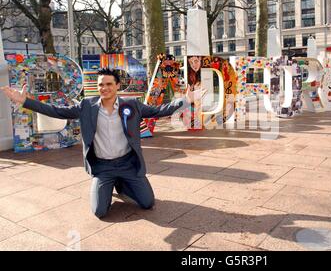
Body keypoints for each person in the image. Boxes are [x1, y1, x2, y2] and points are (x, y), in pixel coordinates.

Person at [1, 68, 200, 219]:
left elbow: (159, 111)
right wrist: (25, 101)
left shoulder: (132, 106)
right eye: (100, 85)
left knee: (147, 203)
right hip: (103, 167)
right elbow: (57, 111)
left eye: (108, 84)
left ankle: (122, 184)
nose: (103, 88)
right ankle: (109, 183)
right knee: (100, 212)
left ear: (117, 86)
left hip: (128, 164)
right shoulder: (86, 106)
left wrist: (185, 101)